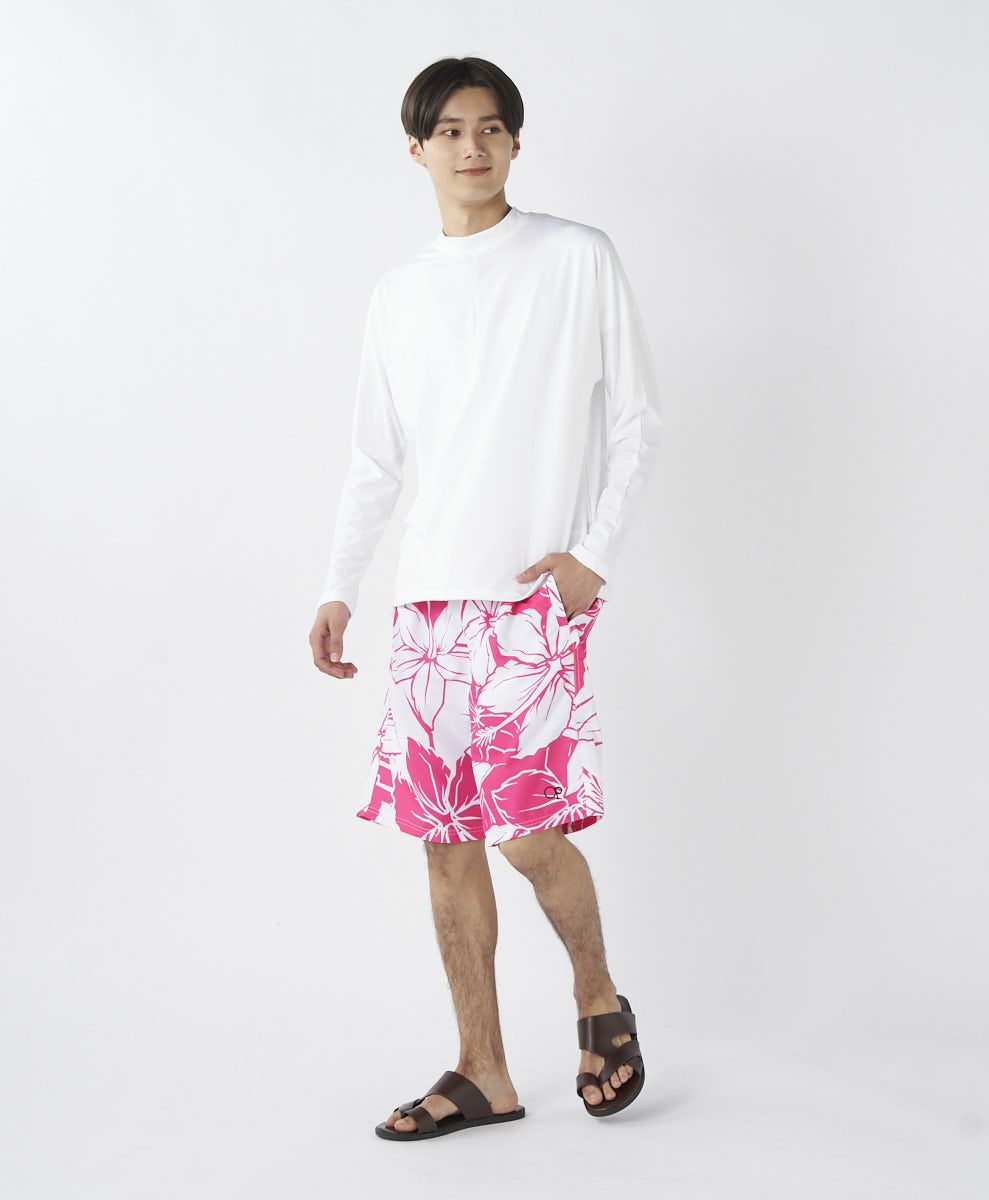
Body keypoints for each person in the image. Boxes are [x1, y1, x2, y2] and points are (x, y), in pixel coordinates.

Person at [309, 56, 663, 1141]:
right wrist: (338, 587)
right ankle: (483, 1073)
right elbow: (377, 461)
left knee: (526, 832)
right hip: (428, 607)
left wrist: (592, 556)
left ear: (515, 143)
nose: (472, 146)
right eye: (451, 130)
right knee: (445, 840)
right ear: (416, 148)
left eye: (492, 128)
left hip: (529, 601)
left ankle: (597, 999)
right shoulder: (399, 292)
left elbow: (636, 419)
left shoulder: (574, 257)